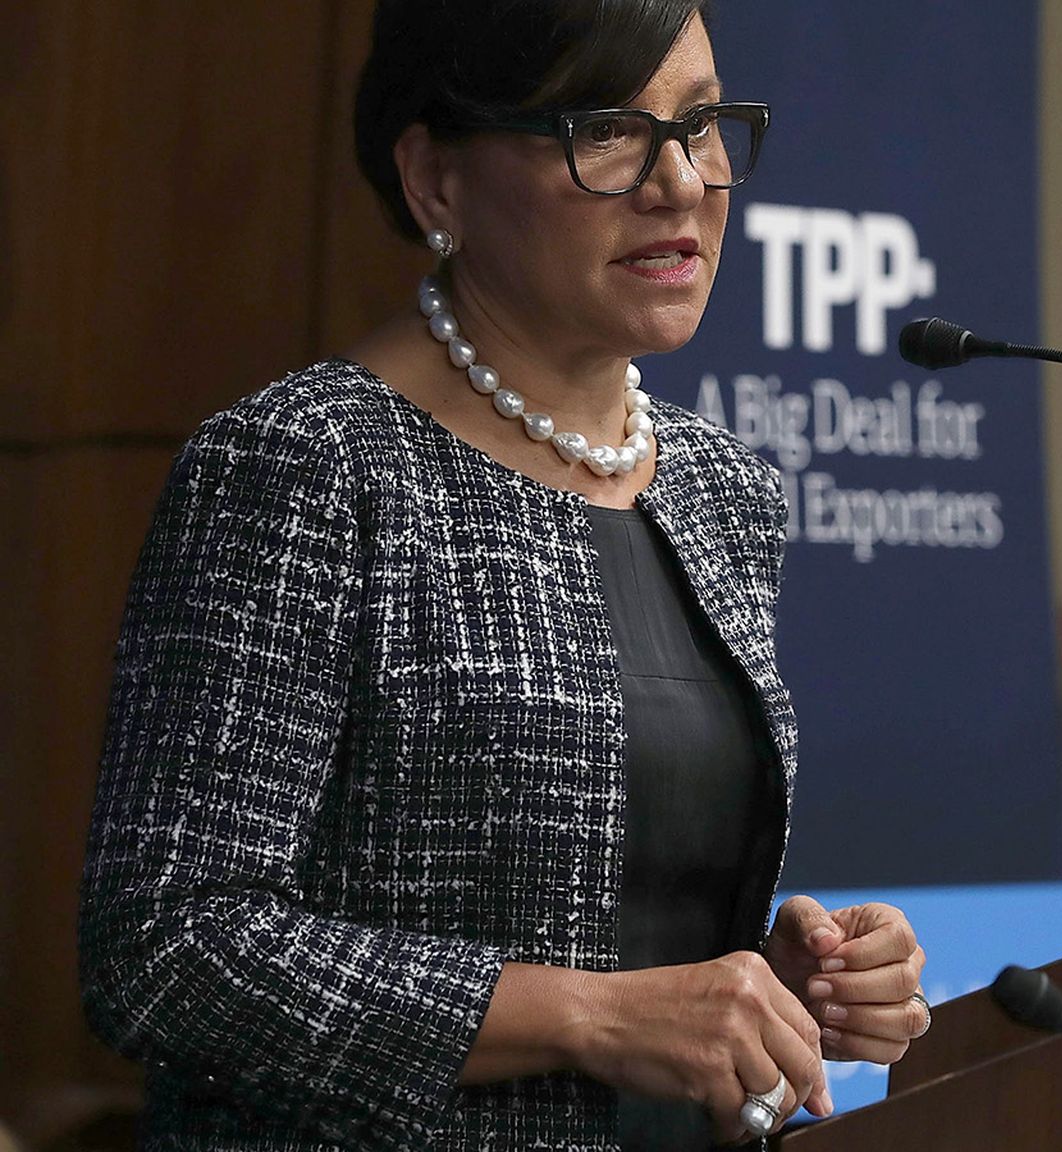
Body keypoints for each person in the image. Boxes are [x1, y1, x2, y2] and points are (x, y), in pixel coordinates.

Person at [77, 4, 929, 1149]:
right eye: (607, 128)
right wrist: (593, 1016)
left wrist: (774, 986)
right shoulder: (306, 467)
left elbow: (612, 915)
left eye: (703, 123)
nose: (679, 183)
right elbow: (165, 951)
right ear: (435, 179)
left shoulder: (725, 490)